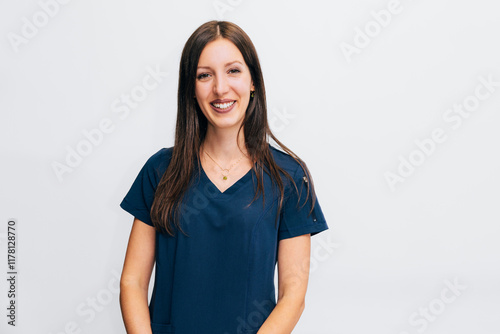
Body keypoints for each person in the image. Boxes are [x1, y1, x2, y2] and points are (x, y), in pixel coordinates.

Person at [119, 20, 329, 334]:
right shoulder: (160, 170)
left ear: (254, 81)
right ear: (191, 88)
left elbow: (293, 294)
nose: (220, 88)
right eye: (205, 75)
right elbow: (132, 282)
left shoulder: (289, 177)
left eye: (233, 71)